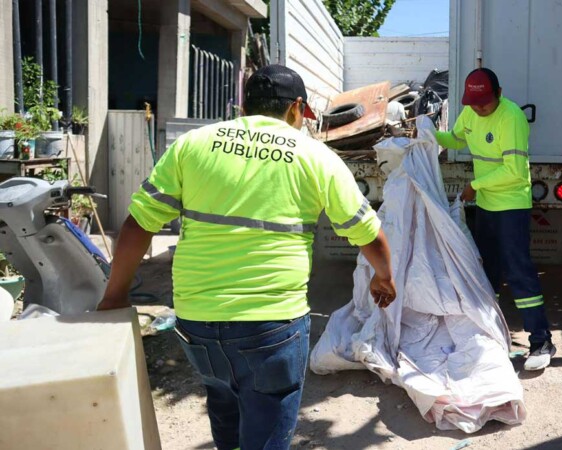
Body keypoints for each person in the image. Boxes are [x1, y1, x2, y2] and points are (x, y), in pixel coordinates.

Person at [98, 65, 397, 450]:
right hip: (271, 327)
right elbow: (367, 232)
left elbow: (139, 224)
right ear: (297, 108)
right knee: (266, 427)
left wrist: (115, 295)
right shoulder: (315, 156)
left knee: (223, 397)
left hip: (197, 324)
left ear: (244, 106)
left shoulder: (194, 144)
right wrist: (383, 276)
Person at [435, 67, 555, 371]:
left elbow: (513, 170)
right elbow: (456, 140)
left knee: (518, 270)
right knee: (486, 270)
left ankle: (541, 341)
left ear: (499, 94)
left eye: (485, 103)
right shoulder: (471, 113)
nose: (479, 108)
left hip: (511, 204)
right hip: (488, 205)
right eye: (473, 103)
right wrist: (429, 134)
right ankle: (488, 333)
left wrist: (474, 186)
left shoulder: (511, 117)